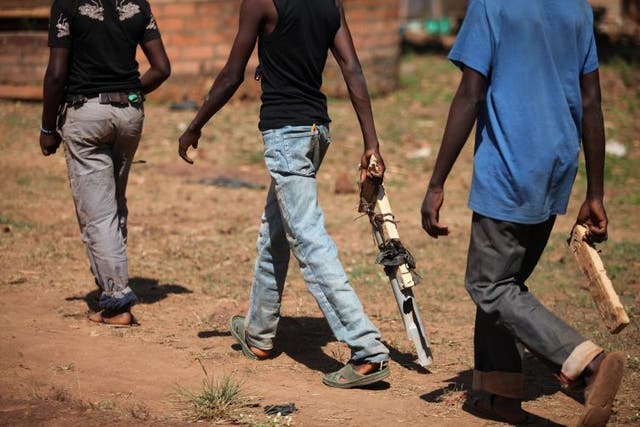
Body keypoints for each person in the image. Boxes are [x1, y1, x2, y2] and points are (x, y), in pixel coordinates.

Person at [420, 0, 624, 425]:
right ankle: (500, 396)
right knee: (505, 281)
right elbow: (592, 103)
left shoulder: (492, 5)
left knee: (489, 285)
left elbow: (470, 94)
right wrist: (596, 191)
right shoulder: (578, 10)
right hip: (556, 166)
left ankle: (587, 362)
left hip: (510, 165)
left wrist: (436, 182)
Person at [178, 0, 390, 388]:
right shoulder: (330, 4)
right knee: (275, 230)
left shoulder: (261, 2)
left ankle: (367, 350)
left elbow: (230, 75)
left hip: (286, 136)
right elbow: (352, 69)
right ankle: (258, 334)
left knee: (307, 238)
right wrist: (371, 141)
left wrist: (195, 125)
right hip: (316, 132)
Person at [40, 0, 170, 325]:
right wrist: (126, 92)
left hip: (87, 115)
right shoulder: (137, 5)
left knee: (98, 213)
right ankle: (110, 287)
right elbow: (162, 68)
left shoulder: (67, 5)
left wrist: (47, 128)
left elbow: (56, 74)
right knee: (113, 203)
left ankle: (115, 302)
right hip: (129, 114)